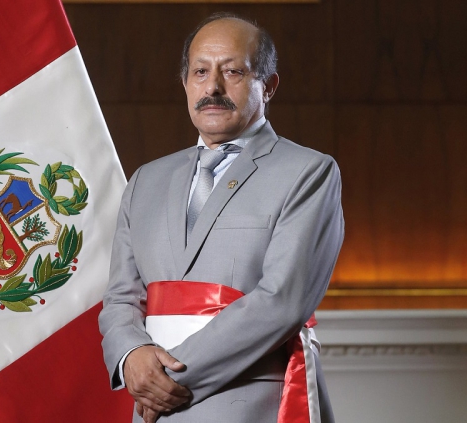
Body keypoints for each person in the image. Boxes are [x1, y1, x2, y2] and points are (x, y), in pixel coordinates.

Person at [99, 12, 344, 423]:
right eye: (200, 72)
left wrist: (162, 380)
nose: (212, 87)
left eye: (232, 71)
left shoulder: (309, 172)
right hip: (152, 409)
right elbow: (121, 298)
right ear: (185, 83)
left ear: (268, 86)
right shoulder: (145, 181)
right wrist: (131, 357)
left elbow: (282, 302)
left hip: (249, 406)